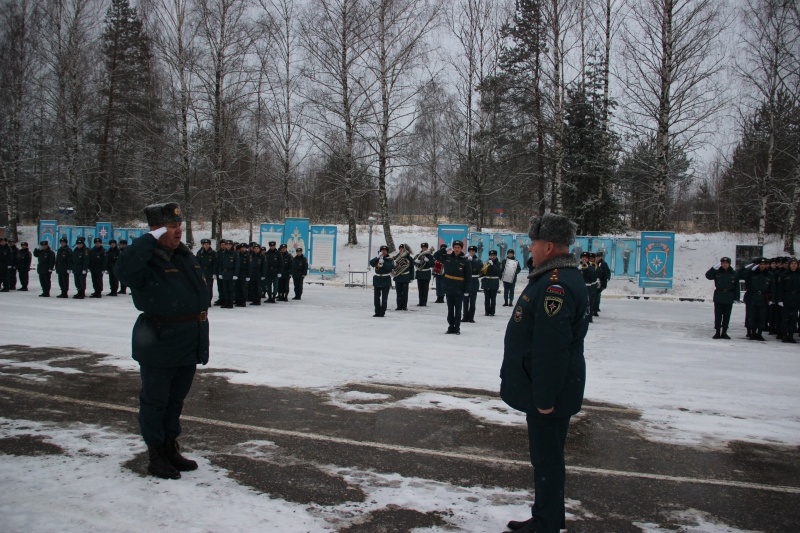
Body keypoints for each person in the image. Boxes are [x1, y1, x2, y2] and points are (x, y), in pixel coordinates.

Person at [500, 213, 588, 533]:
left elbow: (552, 349)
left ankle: (547, 523)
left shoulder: (556, 285)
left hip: (549, 393)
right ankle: (544, 516)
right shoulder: (556, 276)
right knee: (545, 460)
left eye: (534, 243)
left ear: (549, 246)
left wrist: (545, 398)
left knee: (548, 461)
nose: (531, 249)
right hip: (548, 389)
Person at [117, 202, 209, 480]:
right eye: (171, 227)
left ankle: (170, 447)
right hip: (159, 340)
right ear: (156, 231)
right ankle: (156, 453)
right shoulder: (146, 259)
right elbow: (124, 271)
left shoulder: (183, 256)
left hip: (189, 339)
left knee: (175, 401)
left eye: (179, 225)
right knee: (156, 401)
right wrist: (148, 241)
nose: (178, 231)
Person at [433, 240, 470, 334]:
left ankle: (457, 327)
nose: (456, 249)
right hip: (449, 287)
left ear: (461, 248)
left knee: (458, 309)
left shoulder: (465, 261)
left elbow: (468, 277)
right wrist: (444, 250)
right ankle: (450, 326)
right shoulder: (448, 257)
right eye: (455, 247)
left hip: (459, 288)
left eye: (458, 247)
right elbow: (436, 256)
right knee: (450, 309)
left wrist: (466, 290)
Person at [705, 256, 739, 339]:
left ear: (729, 264)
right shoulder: (717, 272)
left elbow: (737, 287)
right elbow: (708, 276)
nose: (725, 264)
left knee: (727, 316)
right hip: (719, 296)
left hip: (729, 296)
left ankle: (724, 332)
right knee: (718, 316)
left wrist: (736, 298)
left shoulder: (734, 273)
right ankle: (717, 332)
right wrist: (713, 268)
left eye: (726, 263)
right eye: (723, 263)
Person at [744, 257, 773, 341]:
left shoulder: (769, 274)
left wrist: (772, 298)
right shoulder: (751, 273)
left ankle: (759, 333)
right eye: (761, 264)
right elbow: (741, 274)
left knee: (762, 316)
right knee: (752, 316)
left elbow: (772, 287)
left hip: (763, 298)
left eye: (764, 264)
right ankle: (753, 333)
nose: (762, 266)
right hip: (753, 297)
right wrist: (750, 269)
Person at [778, 257, 800, 343]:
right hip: (786, 297)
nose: (794, 266)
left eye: (795, 264)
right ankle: (785, 335)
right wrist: (780, 300)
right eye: (792, 264)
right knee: (785, 318)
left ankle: (791, 335)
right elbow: (780, 288)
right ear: (789, 265)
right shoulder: (784, 274)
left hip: (797, 298)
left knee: (794, 318)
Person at [369, 245, 394, 317]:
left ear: (387, 252)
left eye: (385, 251)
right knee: (376, 297)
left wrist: (384, 263)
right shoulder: (378, 258)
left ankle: (382, 312)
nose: (383, 252)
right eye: (382, 251)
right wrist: (377, 257)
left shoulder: (390, 259)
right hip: (377, 279)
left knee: (384, 298)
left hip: (385, 279)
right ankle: (377, 311)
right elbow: (371, 263)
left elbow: (389, 268)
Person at [215, 240, 239, 309]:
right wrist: (220, 273)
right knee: (225, 289)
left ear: (232, 246)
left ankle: (230, 302)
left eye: (229, 245)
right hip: (224, 273)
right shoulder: (223, 253)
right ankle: (226, 302)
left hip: (231, 273)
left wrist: (235, 274)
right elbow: (220, 264)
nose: (228, 246)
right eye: (227, 245)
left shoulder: (235, 254)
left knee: (231, 289)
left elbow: (237, 265)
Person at [462, 245, 483, 323]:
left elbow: (480, 266)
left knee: (472, 301)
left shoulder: (478, 260)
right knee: (465, 301)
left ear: (475, 252)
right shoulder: (465, 259)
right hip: (466, 281)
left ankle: (471, 317)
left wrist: (472, 261)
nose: (471, 252)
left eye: (473, 251)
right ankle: (465, 316)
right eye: (470, 251)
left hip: (474, 281)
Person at [391, 243, 414, 311]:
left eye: (402, 249)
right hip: (398, 276)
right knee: (398, 293)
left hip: (405, 276)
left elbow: (412, 268)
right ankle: (399, 306)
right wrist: (393, 263)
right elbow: (392, 267)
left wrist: (411, 277)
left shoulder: (409, 258)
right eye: (400, 249)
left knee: (405, 293)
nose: (401, 250)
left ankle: (404, 306)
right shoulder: (396, 257)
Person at [480, 250, 502, 316]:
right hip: (486, 282)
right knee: (486, 299)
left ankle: (492, 312)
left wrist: (492, 265)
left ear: (496, 256)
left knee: (493, 299)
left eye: (493, 255)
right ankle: (487, 312)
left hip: (494, 282)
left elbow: (498, 272)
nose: (492, 257)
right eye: (491, 255)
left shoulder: (499, 264)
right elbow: (483, 272)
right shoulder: (487, 262)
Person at [196, 238, 216, 305]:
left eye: (207, 244)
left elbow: (215, 263)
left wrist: (214, 273)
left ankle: (208, 301)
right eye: (205, 244)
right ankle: (203, 300)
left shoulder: (213, 253)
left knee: (209, 287)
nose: (206, 245)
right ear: (202, 245)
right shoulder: (199, 252)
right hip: (202, 272)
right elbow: (197, 263)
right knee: (202, 287)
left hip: (210, 272)